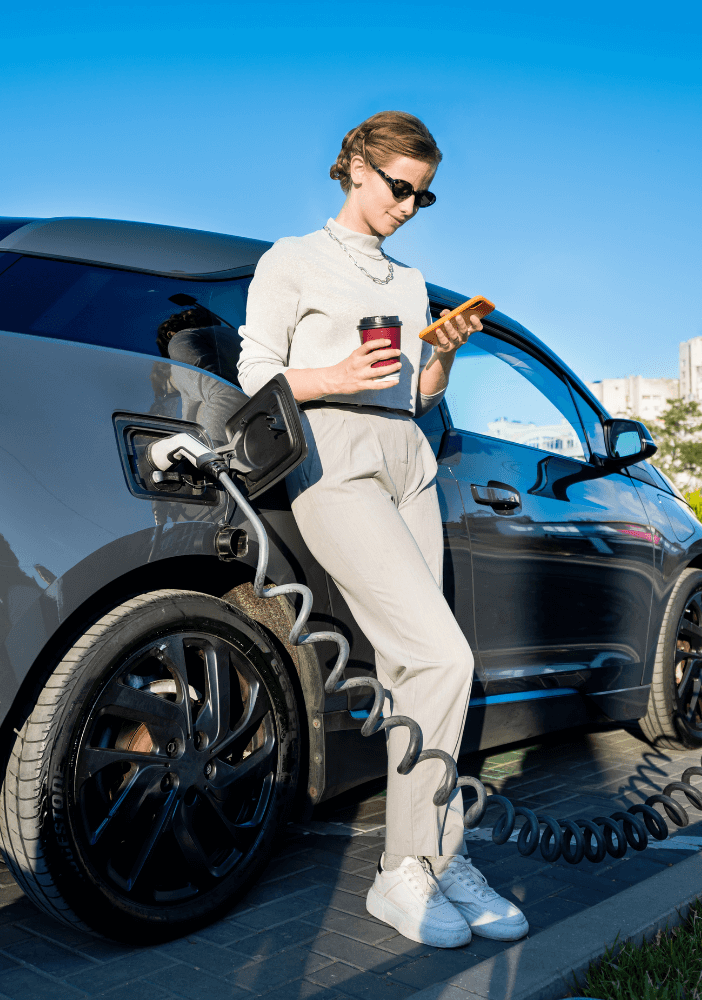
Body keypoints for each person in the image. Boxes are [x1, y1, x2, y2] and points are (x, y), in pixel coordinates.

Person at [237, 111, 528, 948]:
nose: (409, 204)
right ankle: (402, 875)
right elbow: (255, 373)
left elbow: (417, 397)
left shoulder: (409, 281)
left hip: (409, 460)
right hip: (333, 455)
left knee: (416, 668)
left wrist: (442, 356)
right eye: (401, 186)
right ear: (355, 168)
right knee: (445, 656)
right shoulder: (291, 259)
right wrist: (333, 373)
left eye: (424, 195)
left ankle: (437, 856)